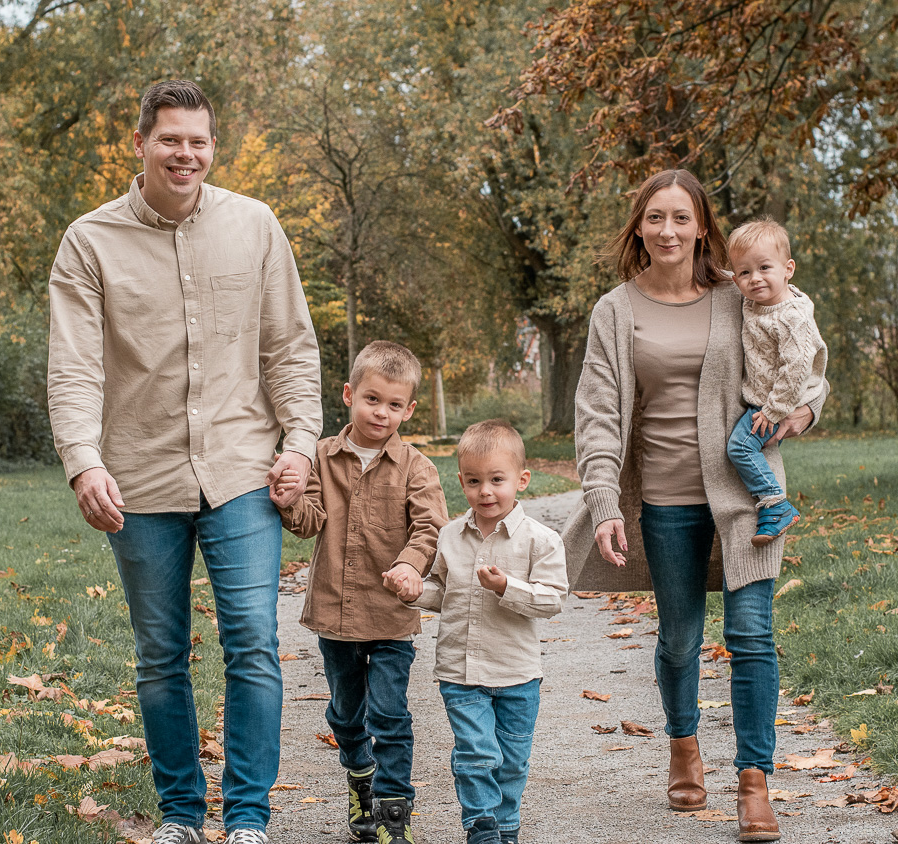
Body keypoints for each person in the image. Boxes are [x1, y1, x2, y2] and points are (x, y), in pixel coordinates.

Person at [47, 79, 322, 844]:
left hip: (242, 469)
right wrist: (83, 461)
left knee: (253, 642)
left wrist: (301, 441)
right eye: (170, 139)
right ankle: (180, 814)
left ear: (213, 147)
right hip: (138, 477)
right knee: (160, 654)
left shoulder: (255, 226)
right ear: (140, 144)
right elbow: (73, 367)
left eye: (198, 141)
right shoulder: (89, 242)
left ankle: (249, 818)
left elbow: (290, 347)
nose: (185, 154)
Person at [562, 170, 827, 842]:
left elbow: (802, 352)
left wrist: (803, 412)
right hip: (665, 499)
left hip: (746, 493)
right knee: (679, 639)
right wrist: (603, 500)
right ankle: (684, 747)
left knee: (751, 635)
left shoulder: (739, 294)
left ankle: (754, 782)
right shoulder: (614, 310)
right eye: (656, 217)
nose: (669, 230)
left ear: (702, 226)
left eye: (682, 217)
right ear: (639, 226)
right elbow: (597, 412)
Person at [274, 341, 448, 844]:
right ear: (349, 395)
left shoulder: (417, 467)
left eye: (394, 404)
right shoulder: (320, 458)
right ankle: (361, 781)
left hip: (391, 616)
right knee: (346, 717)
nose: (381, 413)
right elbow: (308, 522)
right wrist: (289, 500)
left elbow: (430, 528)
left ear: (409, 410)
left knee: (389, 715)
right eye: (372, 399)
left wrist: (411, 565)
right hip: (336, 614)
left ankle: (394, 815)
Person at [412, 420, 568, 844]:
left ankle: (506, 827)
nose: (485, 491)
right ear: (461, 481)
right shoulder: (449, 536)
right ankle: (481, 827)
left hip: (517, 674)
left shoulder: (541, 540)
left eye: (497, 480)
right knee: (476, 754)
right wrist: (415, 592)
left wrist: (506, 587)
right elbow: (442, 592)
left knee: (512, 762)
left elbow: (553, 599)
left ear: (522, 479)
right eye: (474, 481)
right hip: (461, 673)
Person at [724, 219, 828, 546]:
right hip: (767, 398)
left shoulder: (791, 317)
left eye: (764, 268)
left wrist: (774, 410)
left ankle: (776, 504)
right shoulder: (754, 300)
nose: (755, 278)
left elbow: (796, 369)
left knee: (741, 446)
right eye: (744, 272)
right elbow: (731, 276)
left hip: (778, 403)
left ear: (788, 269)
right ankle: (773, 503)